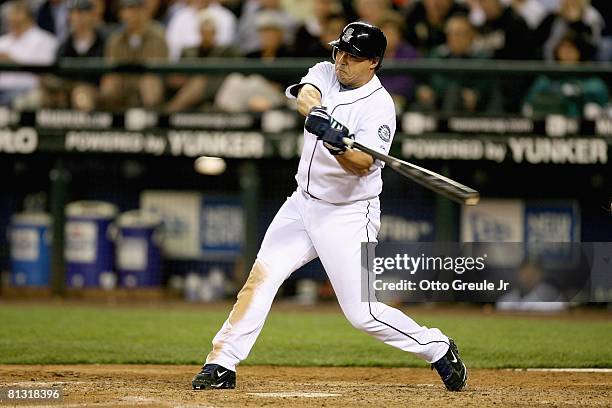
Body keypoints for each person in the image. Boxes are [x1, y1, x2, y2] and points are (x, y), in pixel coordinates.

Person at [191, 21, 468, 393]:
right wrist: (320, 117)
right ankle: (221, 364)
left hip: (348, 214)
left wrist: (339, 145)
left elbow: (362, 165)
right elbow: (307, 94)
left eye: (352, 56)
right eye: (340, 51)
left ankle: (437, 346)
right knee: (262, 278)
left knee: (363, 314)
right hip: (302, 204)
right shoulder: (327, 71)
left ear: (373, 62)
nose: (342, 60)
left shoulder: (379, 107)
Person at [98, 0, 168, 110]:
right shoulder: (116, 39)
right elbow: (112, 71)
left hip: (149, 89)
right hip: (123, 87)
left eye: (134, 9)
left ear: (143, 10)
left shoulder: (157, 36)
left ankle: (151, 121)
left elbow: (155, 71)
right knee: (110, 82)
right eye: (125, 9)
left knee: (149, 82)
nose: (129, 14)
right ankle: (110, 121)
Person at [41, 0, 106, 111]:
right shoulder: (65, 44)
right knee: (43, 96)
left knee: (81, 96)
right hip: (67, 89)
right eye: (73, 13)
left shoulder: (103, 42)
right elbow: (56, 74)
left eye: (81, 13)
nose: (77, 18)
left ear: (92, 15)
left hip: (95, 91)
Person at [0, 0, 58, 107]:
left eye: (17, 13)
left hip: (26, 92)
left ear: (29, 17)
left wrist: (12, 61)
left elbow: (44, 75)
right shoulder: (2, 42)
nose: (12, 18)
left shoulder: (46, 40)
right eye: (11, 14)